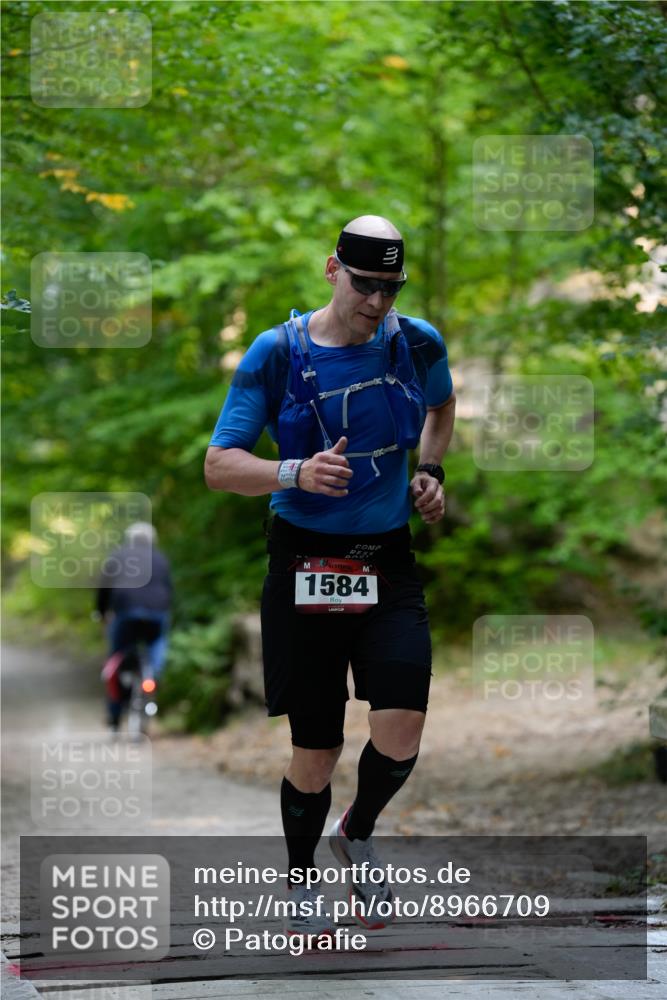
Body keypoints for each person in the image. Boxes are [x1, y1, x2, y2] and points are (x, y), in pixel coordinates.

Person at [205, 215, 455, 937]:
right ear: (330, 270)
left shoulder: (416, 342)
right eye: (364, 284)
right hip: (302, 562)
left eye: (390, 286)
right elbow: (219, 465)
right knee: (316, 750)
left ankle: (359, 829)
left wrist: (431, 470)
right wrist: (295, 471)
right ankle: (298, 879)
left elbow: (440, 406)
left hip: (387, 560)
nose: (377, 301)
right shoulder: (275, 353)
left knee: (402, 727)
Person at [95, 521, 172, 731]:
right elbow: (168, 589)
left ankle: (114, 716)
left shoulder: (117, 556)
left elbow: (104, 589)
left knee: (116, 658)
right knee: (157, 644)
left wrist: (101, 613)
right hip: (157, 614)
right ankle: (153, 675)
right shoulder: (160, 558)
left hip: (125, 614)